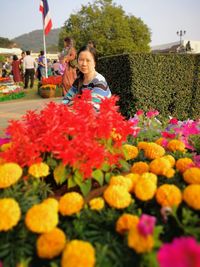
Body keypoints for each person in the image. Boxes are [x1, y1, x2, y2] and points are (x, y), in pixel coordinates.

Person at [62, 45, 111, 110]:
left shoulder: (99, 81)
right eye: (81, 60)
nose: (84, 64)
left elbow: (92, 110)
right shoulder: (79, 80)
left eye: (88, 60)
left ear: (94, 63)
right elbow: (65, 101)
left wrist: (73, 103)